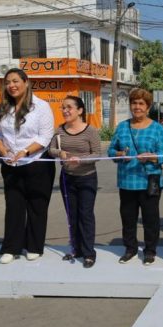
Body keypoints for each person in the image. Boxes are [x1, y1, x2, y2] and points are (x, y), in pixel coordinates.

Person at [0, 68, 55, 265]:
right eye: (8, 82)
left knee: (37, 206)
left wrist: (25, 151)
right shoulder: (3, 106)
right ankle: (11, 247)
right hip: (11, 164)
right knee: (14, 207)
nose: (12, 85)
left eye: (16, 81)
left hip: (36, 163)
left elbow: (45, 136)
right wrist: (2, 149)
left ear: (26, 82)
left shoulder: (42, 107)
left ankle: (34, 246)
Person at [109, 88, 163, 265]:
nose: (137, 107)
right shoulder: (122, 127)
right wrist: (119, 154)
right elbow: (110, 150)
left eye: (141, 103)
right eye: (134, 103)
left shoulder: (157, 128)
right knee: (128, 218)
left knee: (151, 219)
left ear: (148, 107)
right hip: (127, 181)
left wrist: (150, 156)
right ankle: (130, 249)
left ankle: (150, 251)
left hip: (150, 180)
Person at [49, 95, 101, 269]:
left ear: (80, 111)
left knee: (85, 215)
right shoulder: (60, 130)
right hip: (67, 178)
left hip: (87, 177)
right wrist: (59, 154)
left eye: (69, 107)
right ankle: (76, 249)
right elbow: (52, 149)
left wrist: (81, 160)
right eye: (63, 108)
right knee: (72, 215)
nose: (65, 111)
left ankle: (89, 253)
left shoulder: (91, 131)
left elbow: (97, 154)